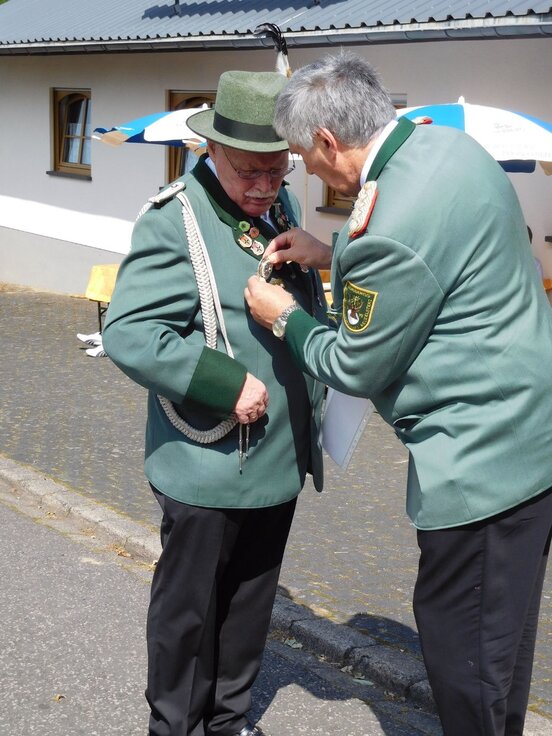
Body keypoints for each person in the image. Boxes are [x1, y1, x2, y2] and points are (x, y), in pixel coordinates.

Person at [245, 53, 552, 736]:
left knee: (464, 657)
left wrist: (284, 316)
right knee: (503, 646)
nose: (305, 172)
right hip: (533, 435)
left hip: (480, 463)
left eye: (301, 157)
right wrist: (333, 255)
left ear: (328, 141)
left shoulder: (384, 226)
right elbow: (438, 256)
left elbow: (352, 365)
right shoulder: (451, 149)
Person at [102, 70, 327, 736]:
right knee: (189, 615)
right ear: (212, 151)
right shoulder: (175, 219)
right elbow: (130, 333)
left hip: (276, 457)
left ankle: (228, 720)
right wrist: (227, 384)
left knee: (250, 607)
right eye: (249, 172)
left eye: (277, 171)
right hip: (207, 463)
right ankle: (174, 725)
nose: (264, 187)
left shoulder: (280, 208)